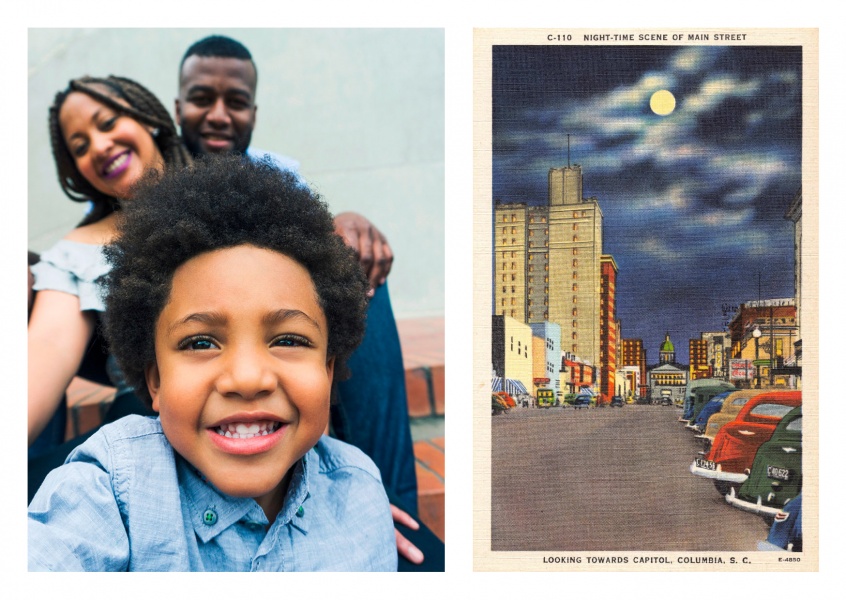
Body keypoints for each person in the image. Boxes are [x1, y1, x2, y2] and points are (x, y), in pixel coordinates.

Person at [29, 155, 397, 571]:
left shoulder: (359, 494)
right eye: (200, 342)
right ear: (155, 381)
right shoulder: (111, 487)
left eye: (289, 339)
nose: (246, 378)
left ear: (328, 372)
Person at [175, 34, 425, 555]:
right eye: (202, 98)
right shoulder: (156, 173)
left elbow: (313, 246)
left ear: (254, 112)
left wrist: (348, 223)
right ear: (179, 106)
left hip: (274, 336)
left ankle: (393, 511)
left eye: (236, 102)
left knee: (355, 270)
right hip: (193, 354)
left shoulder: (276, 174)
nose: (219, 114)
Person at [28, 76, 191, 451]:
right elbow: (45, 351)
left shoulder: (236, 195)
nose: (99, 146)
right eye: (80, 147)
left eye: (107, 123)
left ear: (146, 117)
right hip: (141, 443)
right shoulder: (75, 255)